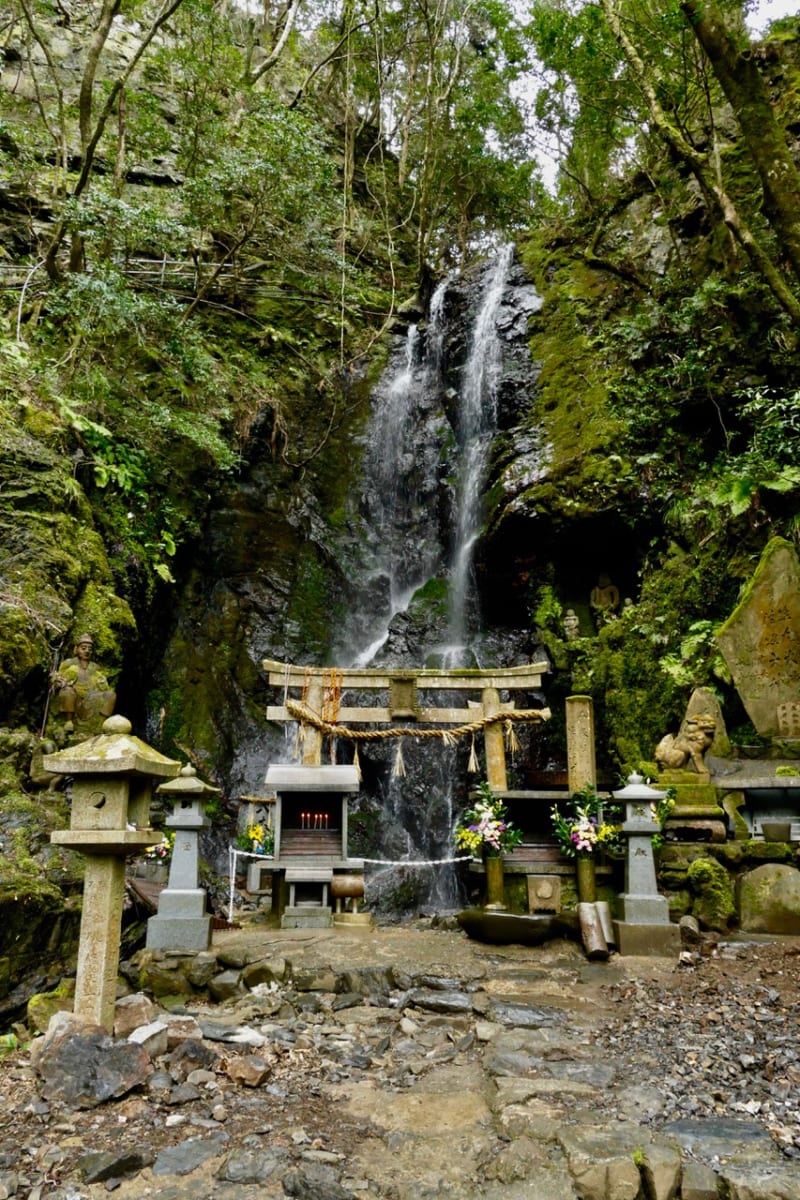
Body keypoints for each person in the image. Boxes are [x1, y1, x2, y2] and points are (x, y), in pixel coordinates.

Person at [51, 634, 116, 735]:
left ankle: (101, 724)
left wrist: (101, 682)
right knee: (67, 691)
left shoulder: (95, 667)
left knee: (111, 695)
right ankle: (69, 721)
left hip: (91, 696)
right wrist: (59, 680)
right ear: (76, 649)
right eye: (83, 648)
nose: (87, 651)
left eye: (89, 649)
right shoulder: (69, 663)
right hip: (75, 696)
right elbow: (58, 679)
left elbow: (103, 686)